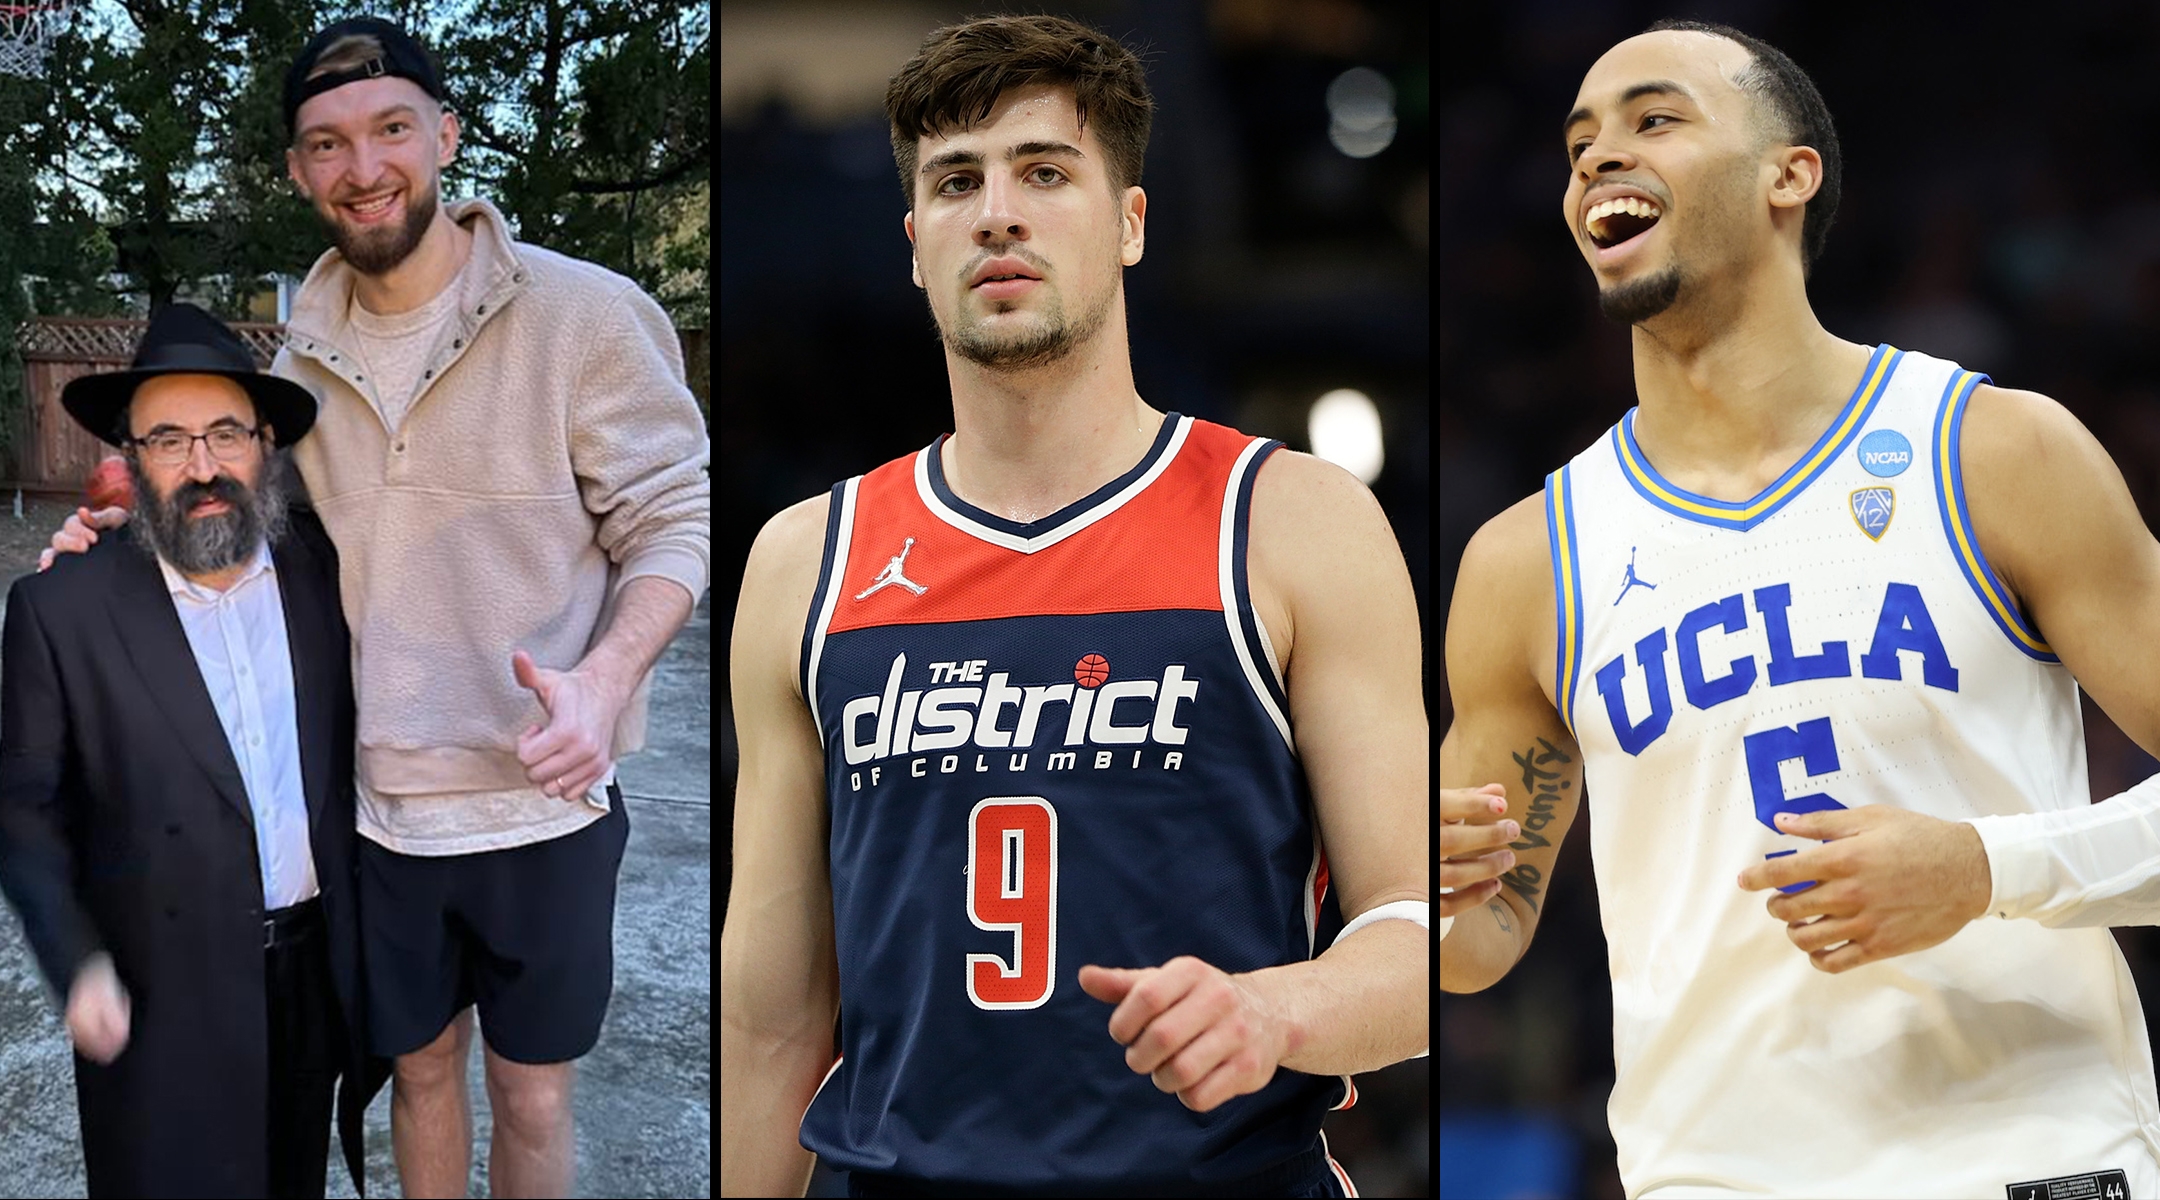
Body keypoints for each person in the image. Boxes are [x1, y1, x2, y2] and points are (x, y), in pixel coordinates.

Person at [1440, 18, 2160, 1196]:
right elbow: (1478, 940)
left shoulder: (1992, 451)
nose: (1597, 160)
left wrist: (1989, 868)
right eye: (1578, 144)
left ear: (1791, 173)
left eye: (1652, 120)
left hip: (2031, 1155)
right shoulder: (1527, 558)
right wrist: (1429, 895)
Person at [721, 13, 1428, 1198]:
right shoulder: (807, 558)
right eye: (957, 182)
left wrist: (1275, 1010)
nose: (997, 211)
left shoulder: (1293, 523)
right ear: (914, 244)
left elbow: (1415, 935)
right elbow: (772, 1019)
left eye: (1045, 172)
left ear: (1130, 223)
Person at [46, 17, 710, 1199]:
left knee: (533, 1090)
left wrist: (606, 682)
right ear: (300, 171)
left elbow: (675, 518)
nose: (364, 167)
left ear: (446, 136)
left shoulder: (589, 317)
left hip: (540, 806)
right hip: (378, 814)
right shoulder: (296, 369)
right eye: (327, 144)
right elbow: (238, 523)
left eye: (392, 128)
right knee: (416, 1074)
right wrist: (117, 539)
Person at [0, 303, 382, 1198]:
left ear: (266, 444)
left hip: (310, 976)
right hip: (155, 990)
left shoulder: (330, 571)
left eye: (224, 434)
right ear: (130, 460)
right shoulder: (62, 610)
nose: (202, 467)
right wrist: (75, 958)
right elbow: (22, 808)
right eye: (168, 441)